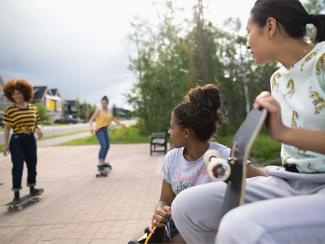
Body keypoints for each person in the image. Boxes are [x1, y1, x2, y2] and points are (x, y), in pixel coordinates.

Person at [171, 0, 325, 243]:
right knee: (185, 207)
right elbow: (299, 158)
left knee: (238, 226)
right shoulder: (277, 80)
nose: (246, 42)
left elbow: (286, 135)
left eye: (248, 31)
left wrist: (283, 132)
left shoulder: (323, 60)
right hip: (289, 181)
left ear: (270, 26)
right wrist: (253, 171)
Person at [2, 79, 44, 203]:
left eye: (19, 93)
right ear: (11, 95)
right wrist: (5, 146)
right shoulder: (10, 110)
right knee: (18, 167)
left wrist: (39, 129)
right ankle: (16, 194)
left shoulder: (32, 108)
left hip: (30, 140)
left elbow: (38, 123)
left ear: (25, 93)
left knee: (32, 165)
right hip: (17, 141)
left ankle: (32, 188)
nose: (16, 96)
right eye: (14, 94)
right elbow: (6, 129)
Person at [89, 96, 125, 167]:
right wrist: (91, 128)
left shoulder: (110, 110)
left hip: (105, 130)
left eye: (105, 103)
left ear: (107, 103)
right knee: (103, 145)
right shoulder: (98, 110)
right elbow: (91, 120)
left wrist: (121, 125)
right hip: (99, 130)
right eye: (102, 103)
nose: (103, 105)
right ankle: (100, 162)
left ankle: (103, 161)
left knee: (107, 146)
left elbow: (113, 119)